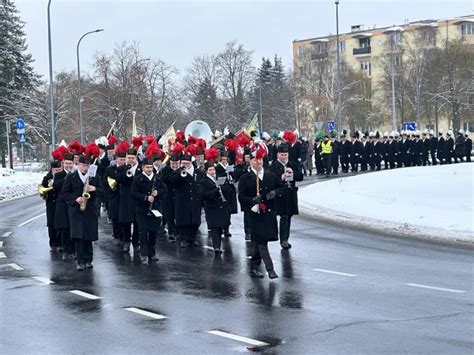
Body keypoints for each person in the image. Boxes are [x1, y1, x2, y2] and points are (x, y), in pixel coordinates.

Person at [238, 142, 284, 279]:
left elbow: (282, 188)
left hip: (269, 213)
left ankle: (253, 266)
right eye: (254, 160)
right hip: (255, 214)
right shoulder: (245, 178)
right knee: (262, 241)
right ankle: (270, 269)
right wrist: (252, 200)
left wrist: (275, 192)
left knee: (260, 241)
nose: (258, 162)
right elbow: (241, 196)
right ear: (250, 162)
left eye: (260, 159)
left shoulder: (271, 175)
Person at [62, 150, 102, 271]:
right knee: (78, 236)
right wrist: (75, 199)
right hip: (76, 211)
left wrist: (94, 188)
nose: (85, 168)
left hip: (90, 210)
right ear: (78, 165)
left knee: (88, 236)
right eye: (83, 165)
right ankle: (80, 261)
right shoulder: (70, 177)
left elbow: (103, 191)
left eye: (87, 166)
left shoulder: (94, 177)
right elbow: (64, 193)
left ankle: (88, 259)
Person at [131, 156, 167, 265]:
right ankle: (144, 254)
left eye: (151, 167)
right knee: (143, 231)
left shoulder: (158, 178)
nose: (149, 169)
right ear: (142, 168)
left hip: (155, 209)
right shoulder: (137, 179)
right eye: (147, 167)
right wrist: (145, 198)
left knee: (153, 231)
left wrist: (158, 193)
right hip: (142, 209)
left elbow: (165, 190)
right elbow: (133, 194)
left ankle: (152, 253)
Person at [268, 143, 303, 249]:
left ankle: (286, 238)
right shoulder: (273, 166)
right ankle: (283, 240)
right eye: (282, 155)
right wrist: (281, 177)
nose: (284, 157)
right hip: (280, 195)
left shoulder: (293, 164)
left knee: (289, 216)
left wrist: (293, 173)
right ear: (278, 155)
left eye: (285, 154)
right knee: (284, 216)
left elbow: (300, 177)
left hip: (291, 194)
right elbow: (270, 181)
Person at [171, 148, 204, 248]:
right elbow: (174, 181)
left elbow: (201, 184)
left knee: (195, 220)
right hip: (182, 200)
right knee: (183, 220)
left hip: (195, 200)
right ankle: (183, 238)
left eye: (187, 163)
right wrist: (180, 173)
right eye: (183, 163)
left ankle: (192, 238)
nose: (185, 165)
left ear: (190, 163)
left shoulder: (198, 172)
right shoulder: (177, 172)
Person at [116, 140, 142, 253]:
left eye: (132, 158)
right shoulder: (121, 168)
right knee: (126, 222)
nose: (130, 160)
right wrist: (127, 170)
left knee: (137, 222)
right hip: (125, 199)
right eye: (129, 158)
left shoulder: (141, 168)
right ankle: (127, 241)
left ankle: (136, 242)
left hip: (137, 200)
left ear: (136, 158)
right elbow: (119, 180)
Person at [200, 162, 231, 254]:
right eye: (210, 170)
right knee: (215, 227)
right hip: (212, 207)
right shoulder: (203, 181)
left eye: (213, 169)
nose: (212, 172)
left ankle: (218, 245)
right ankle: (216, 247)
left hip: (221, 205)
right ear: (206, 171)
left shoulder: (219, 178)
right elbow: (204, 195)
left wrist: (224, 187)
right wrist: (216, 191)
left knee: (221, 226)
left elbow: (227, 190)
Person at [41, 153, 66, 253]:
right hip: (51, 203)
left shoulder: (63, 177)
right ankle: (53, 243)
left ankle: (60, 243)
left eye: (59, 170)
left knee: (60, 224)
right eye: (56, 170)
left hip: (60, 204)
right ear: (52, 170)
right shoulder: (47, 177)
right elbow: (43, 188)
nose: (57, 172)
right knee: (51, 224)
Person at [104, 141, 127, 246]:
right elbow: (105, 181)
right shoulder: (110, 169)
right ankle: (117, 235)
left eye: (123, 159)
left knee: (124, 218)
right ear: (116, 159)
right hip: (114, 196)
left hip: (125, 197)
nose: (122, 161)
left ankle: (124, 236)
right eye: (120, 159)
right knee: (115, 217)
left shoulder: (128, 169)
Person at [54, 151, 75, 260]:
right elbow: (56, 186)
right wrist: (66, 178)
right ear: (63, 163)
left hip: (73, 204)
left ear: (73, 164)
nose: (68, 165)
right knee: (65, 229)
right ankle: (66, 250)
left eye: (70, 163)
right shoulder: (58, 175)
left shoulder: (77, 174)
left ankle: (73, 250)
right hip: (62, 205)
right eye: (66, 163)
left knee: (74, 228)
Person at [215, 152, 238, 237]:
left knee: (229, 210)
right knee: (222, 211)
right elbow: (218, 179)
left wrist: (231, 174)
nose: (225, 161)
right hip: (223, 190)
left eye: (226, 159)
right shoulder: (218, 167)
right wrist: (225, 173)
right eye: (223, 159)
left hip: (230, 190)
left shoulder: (230, 166)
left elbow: (235, 177)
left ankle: (227, 229)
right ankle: (221, 228)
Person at [161, 154, 180, 242]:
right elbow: (165, 179)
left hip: (179, 195)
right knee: (169, 214)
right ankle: (171, 232)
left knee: (179, 214)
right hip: (168, 195)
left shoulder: (181, 170)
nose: (175, 165)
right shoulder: (165, 170)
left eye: (176, 163)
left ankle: (179, 232)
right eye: (173, 163)